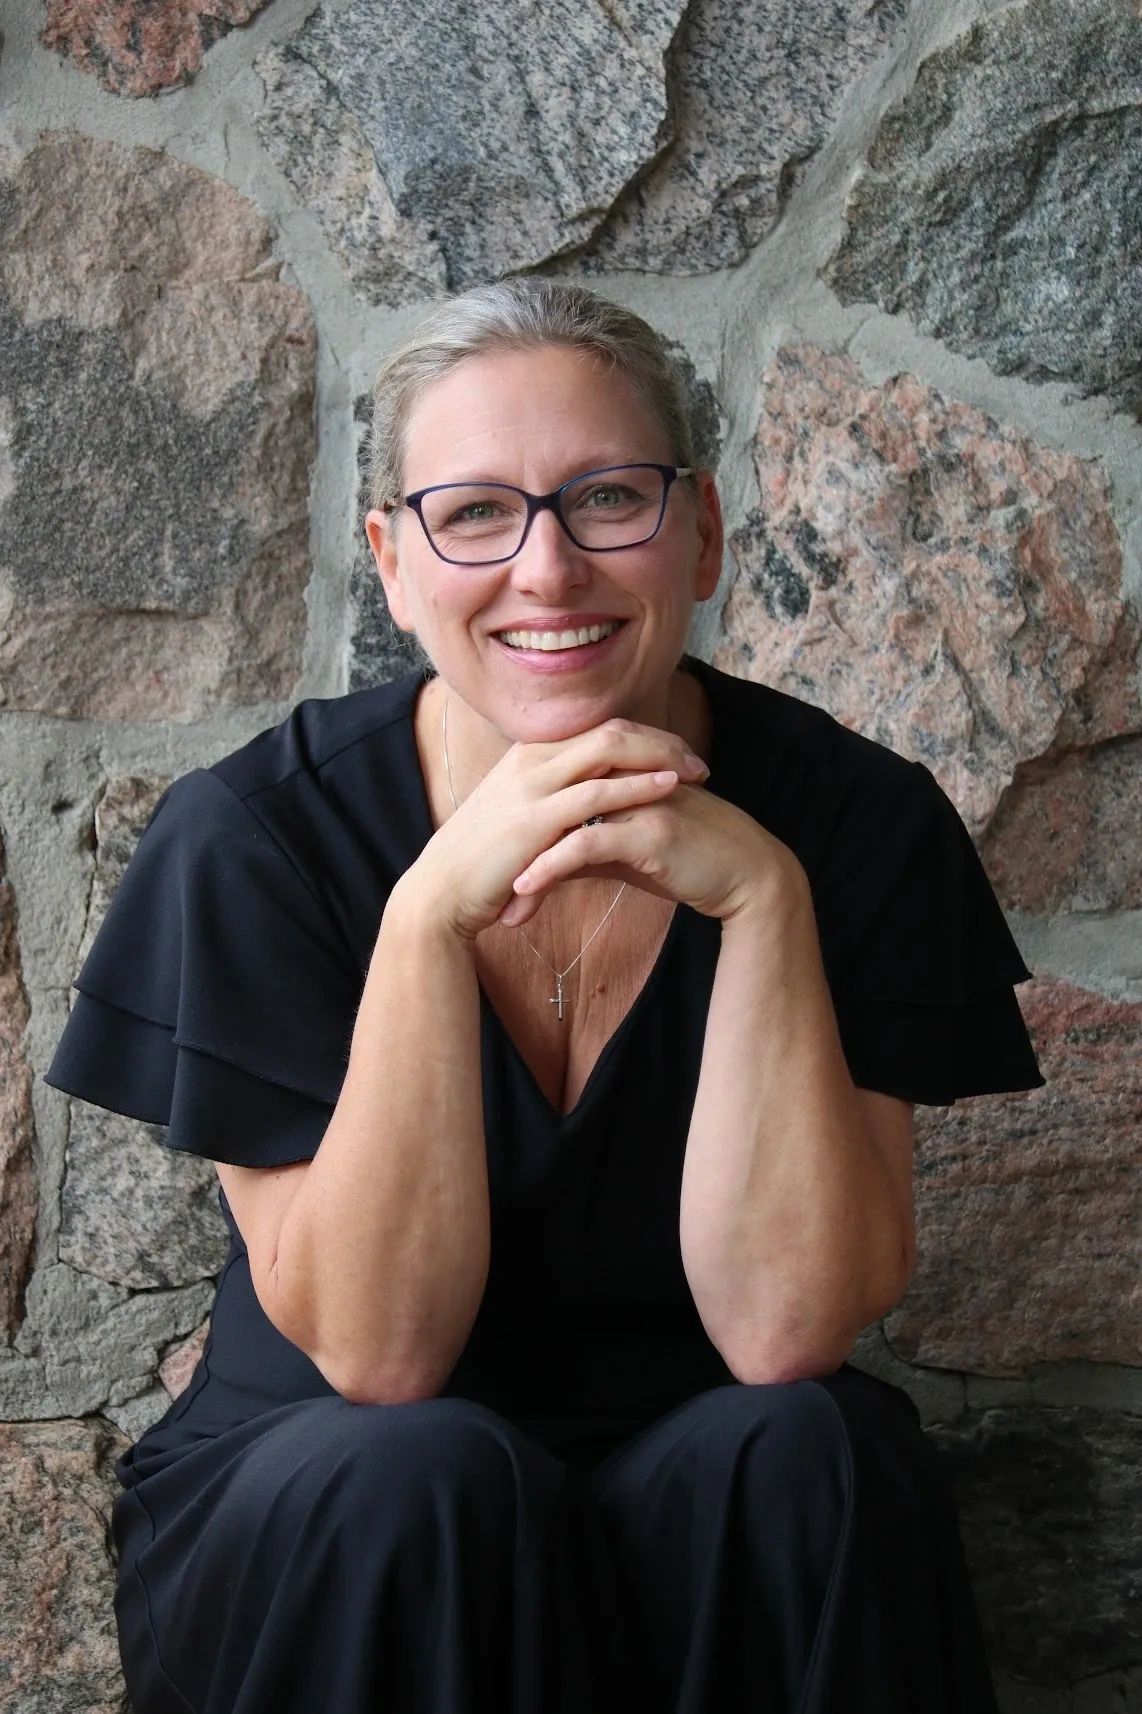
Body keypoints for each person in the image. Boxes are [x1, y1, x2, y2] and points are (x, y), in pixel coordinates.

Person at [44, 278, 1045, 1714]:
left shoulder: (852, 824)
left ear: (699, 532)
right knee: (422, 1469)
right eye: (473, 514)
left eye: (606, 499)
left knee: (814, 1445)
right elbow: (381, 1357)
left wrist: (763, 905)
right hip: (334, 1486)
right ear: (392, 563)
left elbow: (785, 1330)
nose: (548, 569)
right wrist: (426, 920)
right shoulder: (253, 837)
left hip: (697, 1482)